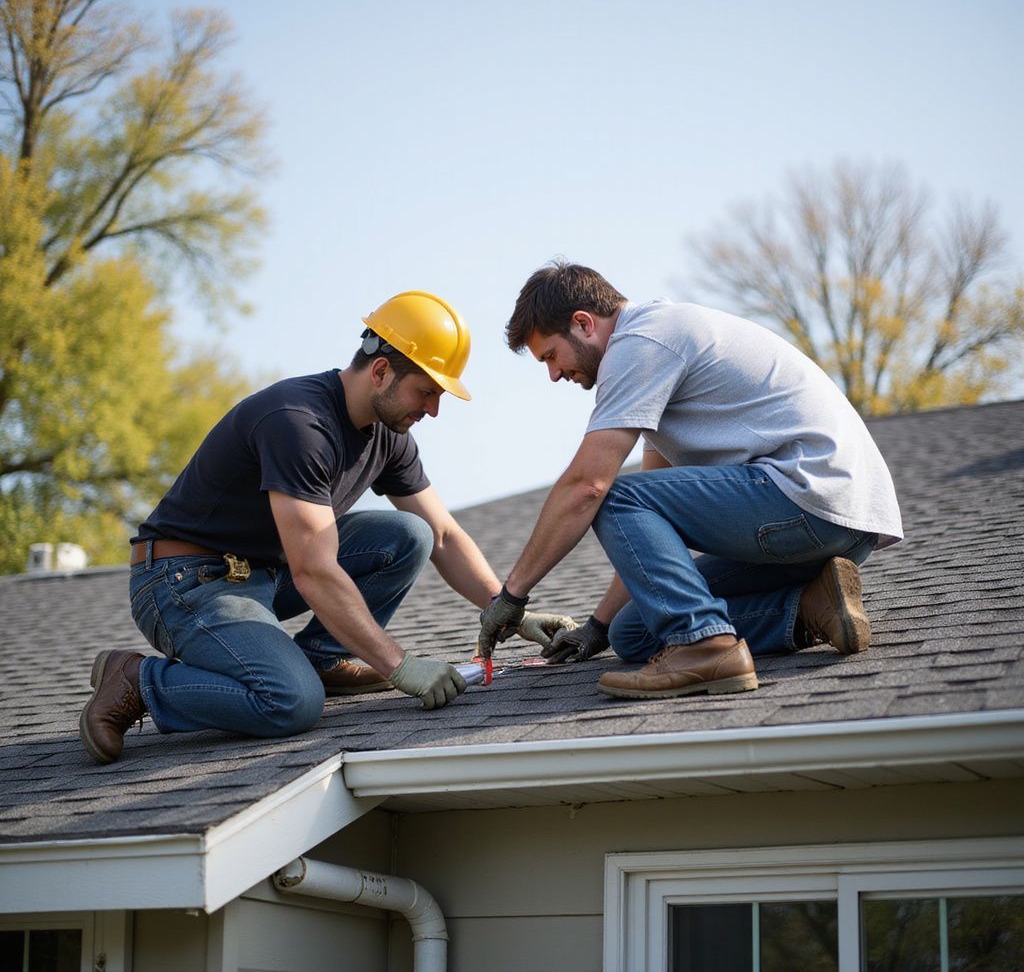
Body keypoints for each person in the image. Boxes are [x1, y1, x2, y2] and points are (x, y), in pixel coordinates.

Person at [81, 291, 574, 764]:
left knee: (411, 536)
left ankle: (323, 658)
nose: (433, 410)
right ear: (381, 372)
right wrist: (398, 665)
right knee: (291, 701)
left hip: (265, 574)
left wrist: (507, 610)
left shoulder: (389, 436)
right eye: (427, 391)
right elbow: (314, 570)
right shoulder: (298, 423)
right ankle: (139, 680)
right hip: (184, 581)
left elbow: (442, 534)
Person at [476, 261, 903, 700]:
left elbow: (590, 487)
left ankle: (705, 646)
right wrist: (597, 626)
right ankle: (814, 608)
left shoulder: (639, 343)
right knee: (634, 631)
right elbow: (643, 531)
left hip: (808, 497)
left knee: (612, 496)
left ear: (584, 324)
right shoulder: (659, 360)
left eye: (550, 356)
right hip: (846, 523)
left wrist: (512, 596)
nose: (553, 375)